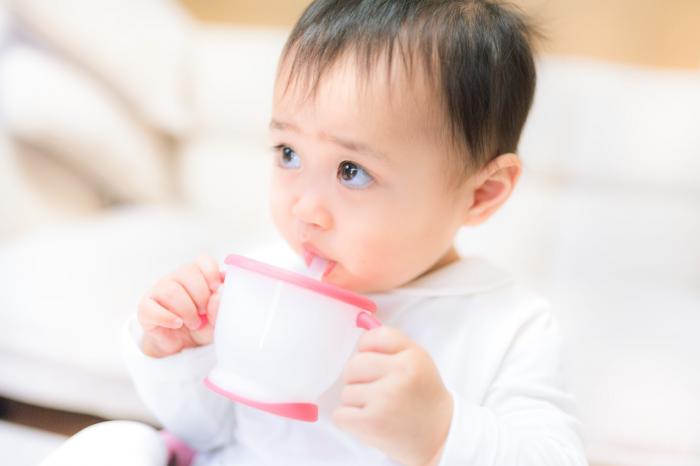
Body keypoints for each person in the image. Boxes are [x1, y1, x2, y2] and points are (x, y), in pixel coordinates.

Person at [42, 1, 587, 465]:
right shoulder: (266, 276)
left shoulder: (508, 327)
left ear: (481, 193)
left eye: (352, 171)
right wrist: (179, 351)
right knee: (117, 444)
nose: (304, 208)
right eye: (288, 153)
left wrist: (443, 431)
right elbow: (209, 433)